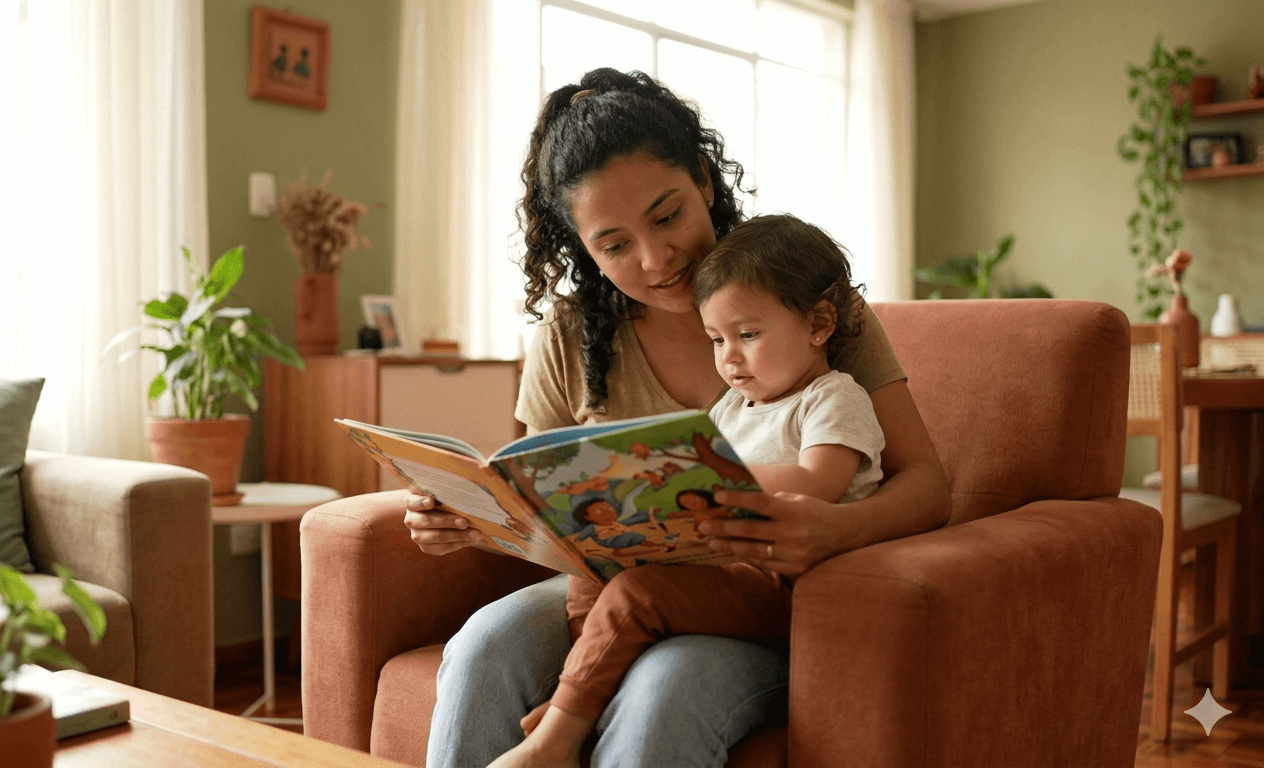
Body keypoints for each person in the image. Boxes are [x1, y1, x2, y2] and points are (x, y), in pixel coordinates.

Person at [400, 68, 950, 768]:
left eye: (667, 216)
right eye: (614, 244)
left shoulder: (799, 301)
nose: (656, 260)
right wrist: (468, 516)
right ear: (581, 247)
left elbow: (927, 483)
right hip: (624, 581)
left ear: (704, 180)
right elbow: (550, 510)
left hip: (762, 593)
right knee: (484, 644)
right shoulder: (571, 335)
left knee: (667, 683)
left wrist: (835, 527)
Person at [487, 213, 886, 768]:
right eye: (717, 339)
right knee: (592, 575)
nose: (729, 357)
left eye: (747, 335)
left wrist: (710, 479)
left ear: (819, 324)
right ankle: (581, 690)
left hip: (787, 586)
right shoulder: (732, 406)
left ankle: (556, 736)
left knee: (636, 595)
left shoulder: (833, 398)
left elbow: (818, 483)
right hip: (726, 564)